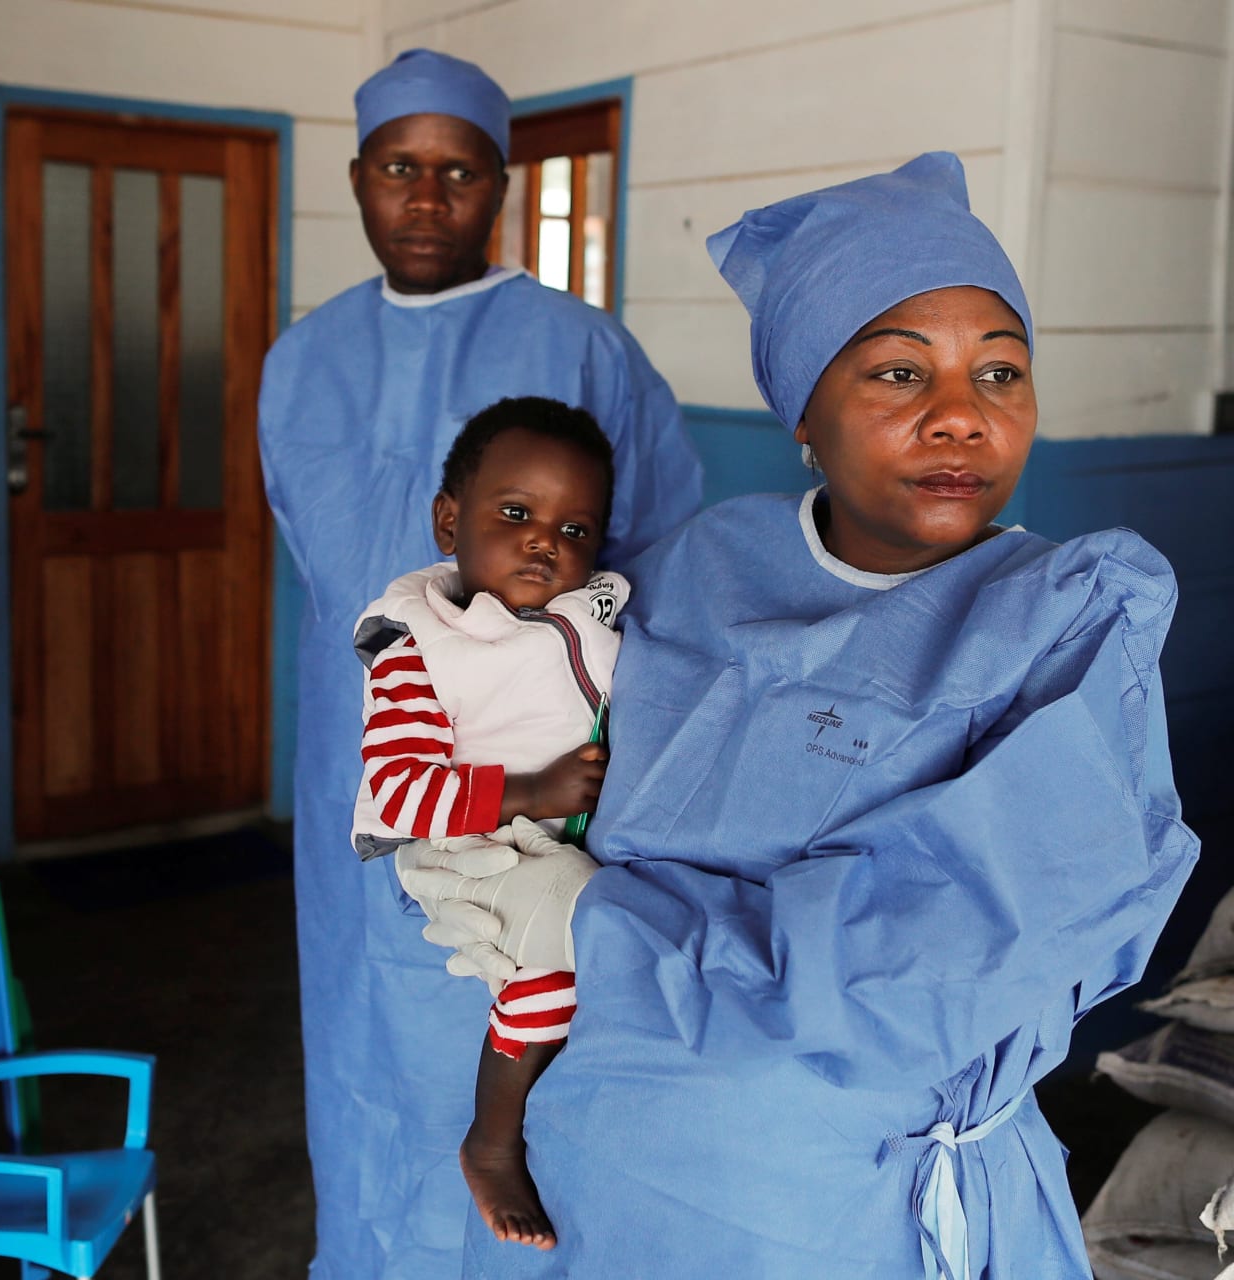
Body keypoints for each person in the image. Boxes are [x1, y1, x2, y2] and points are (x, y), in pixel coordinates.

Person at [398, 152, 1201, 1279]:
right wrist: (475, 846)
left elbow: (919, 978)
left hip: (833, 1211)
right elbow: (506, 708)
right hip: (594, 1169)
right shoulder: (690, 570)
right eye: (897, 373)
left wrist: (592, 926)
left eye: (1003, 372)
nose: (962, 417)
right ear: (804, 419)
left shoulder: (1065, 629)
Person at [259, 48, 702, 1277]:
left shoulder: (579, 350)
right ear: (359, 178)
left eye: (458, 173)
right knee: (361, 1034)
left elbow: (649, 572)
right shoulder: (302, 360)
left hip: (537, 783)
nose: (426, 198)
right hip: (355, 766)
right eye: (400, 168)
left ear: (498, 186)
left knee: (517, 1013)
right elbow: (316, 561)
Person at [350, 397, 625, 1250]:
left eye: (576, 529)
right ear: (448, 521)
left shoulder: (591, 612)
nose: (547, 541)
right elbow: (395, 792)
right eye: (516, 514)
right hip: (469, 845)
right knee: (560, 945)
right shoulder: (420, 649)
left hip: (550, 832)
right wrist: (528, 793)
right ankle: (494, 1139)